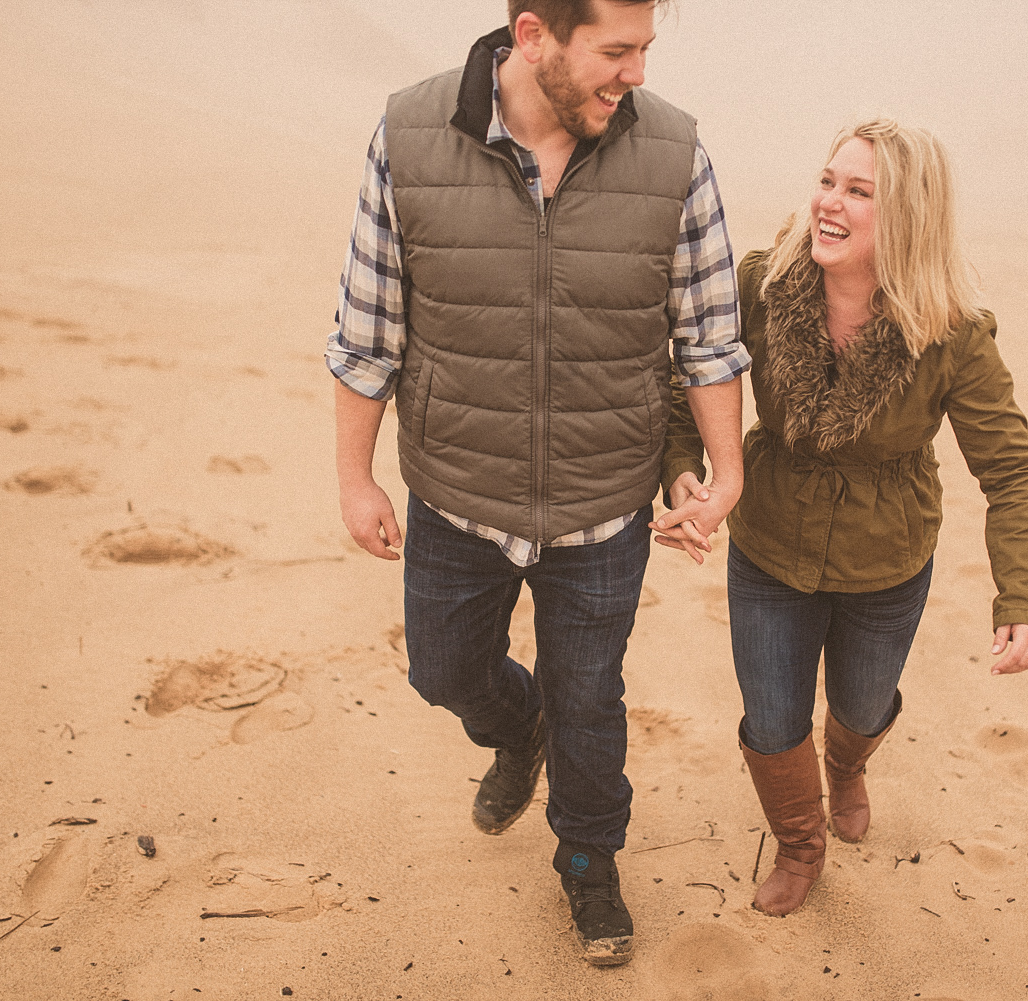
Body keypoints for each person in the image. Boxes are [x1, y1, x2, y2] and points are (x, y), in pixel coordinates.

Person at [326, 0, 747, 965]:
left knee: (590, 695)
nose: (637, 74)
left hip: (604, 499)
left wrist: (724, 471)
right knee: (443, 671)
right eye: (615, 51)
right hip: (457, 490)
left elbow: (709, 336)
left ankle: (589, 859)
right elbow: (367, 331)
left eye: (646, 49)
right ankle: (520, 729)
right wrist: (356, 478)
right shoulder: (409, 136)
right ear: (532, 36)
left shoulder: (676, 154)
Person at [652, 119, 1028, 917]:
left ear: (907, 216)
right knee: (773, 718)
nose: (829, 202)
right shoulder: (763, 284)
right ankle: (801, 843)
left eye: (859, 191)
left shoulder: (951, 330)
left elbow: (1013, 470)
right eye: (828, 181)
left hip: (888, 558)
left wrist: (1026, 597)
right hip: (770, 540)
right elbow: (687, 383)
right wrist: (682, 473)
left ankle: (847, 765)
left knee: (864, 705)